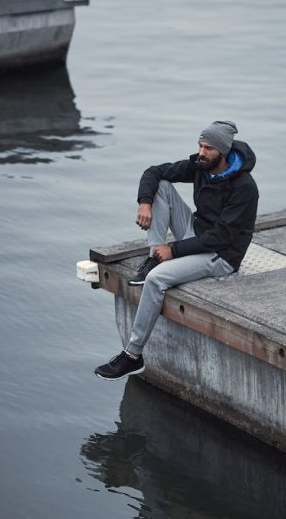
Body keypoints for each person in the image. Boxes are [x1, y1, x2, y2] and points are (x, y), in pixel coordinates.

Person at [94, 120, 259, 380]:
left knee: (156, 279)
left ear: (223, 152)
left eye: (208, 148)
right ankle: (152, 256)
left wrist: (174, 249)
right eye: (200, 145)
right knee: (162, 186)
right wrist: (145, 203)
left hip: (221, 254)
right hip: (198, 233)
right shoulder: (201, 168)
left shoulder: (245, 187)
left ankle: (132, 355)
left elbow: (221, 236)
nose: (202, 153)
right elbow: (153, 171)